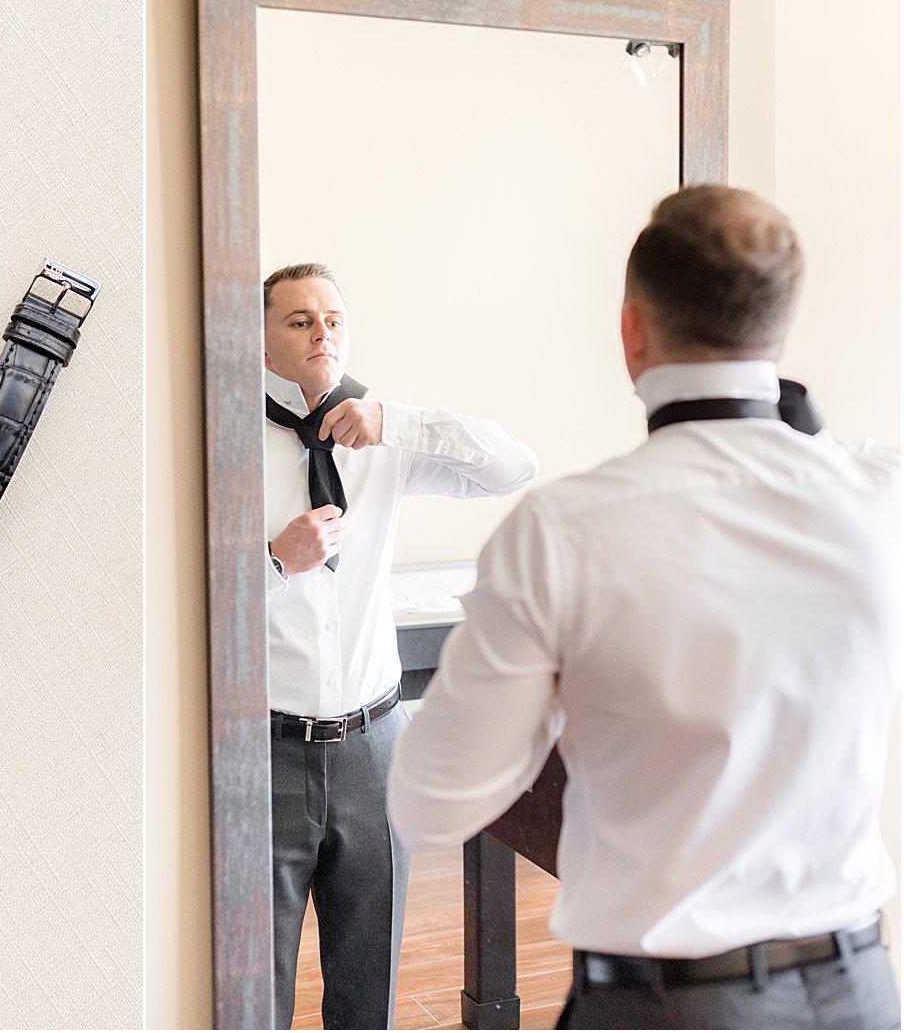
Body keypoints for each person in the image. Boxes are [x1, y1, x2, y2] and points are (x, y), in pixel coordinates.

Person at [387, 186, 900, 1030]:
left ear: (632, 330)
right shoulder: (882, 495)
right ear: (777, 328)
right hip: (861, 994)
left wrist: (562, 720)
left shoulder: (561, 532)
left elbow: (430, 801)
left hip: (668, 1007)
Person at [262, 262, 538, 1029]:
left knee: (368, 986)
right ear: (260, 340)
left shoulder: (381, 435)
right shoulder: (227, 444)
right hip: (264, 749)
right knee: (255, 994)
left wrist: (397, 420)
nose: (323, 333)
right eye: (299, 320)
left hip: (375, 746)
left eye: (335, 319)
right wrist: (276, 561)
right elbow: (195, 603)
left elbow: (514, 466)